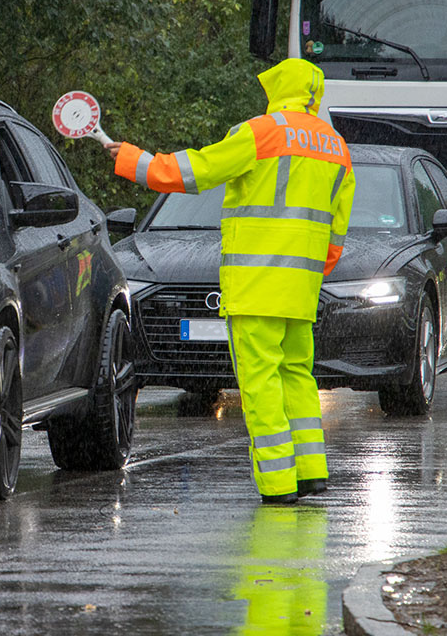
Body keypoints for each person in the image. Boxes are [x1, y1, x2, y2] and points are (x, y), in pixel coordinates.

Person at [105, 57, 355, 504]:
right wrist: (310, 274)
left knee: (258, 381)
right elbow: (337, 231)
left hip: (255, 285)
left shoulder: (261, 132)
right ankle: (311, 470)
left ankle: (279, 484)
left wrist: (132, 160)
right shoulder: (335, 146)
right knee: (297, 375)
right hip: (301, 289)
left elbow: (194, 172)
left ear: (277, 88)